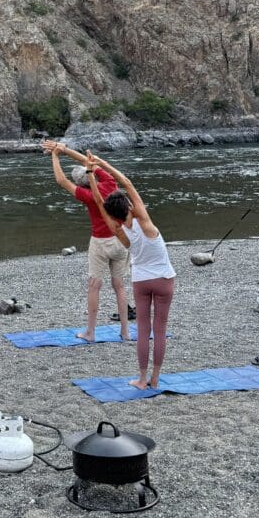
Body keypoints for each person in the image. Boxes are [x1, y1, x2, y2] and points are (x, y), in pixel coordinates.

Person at [85, 150, 175, 390]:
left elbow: (99, 203)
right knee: (160, 329)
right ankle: (155, 378)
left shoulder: (118, 231)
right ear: (127, 205)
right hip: (164, 278)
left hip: (141, 281)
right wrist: (100, 163)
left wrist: (90, 174)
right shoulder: (144, 221)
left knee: (144, 329)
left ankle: (142, 379)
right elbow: (127, 183)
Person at [41, 139, 131, 341]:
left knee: (94, 285)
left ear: (82, 181)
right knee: (120, 286)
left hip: (100, 242)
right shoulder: (109, 183)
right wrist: (65, 150)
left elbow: (62, 181)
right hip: (121, 240)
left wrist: (56, 156)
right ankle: (125, 331)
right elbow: (89, 161)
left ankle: (90, 332)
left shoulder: (88, 195)